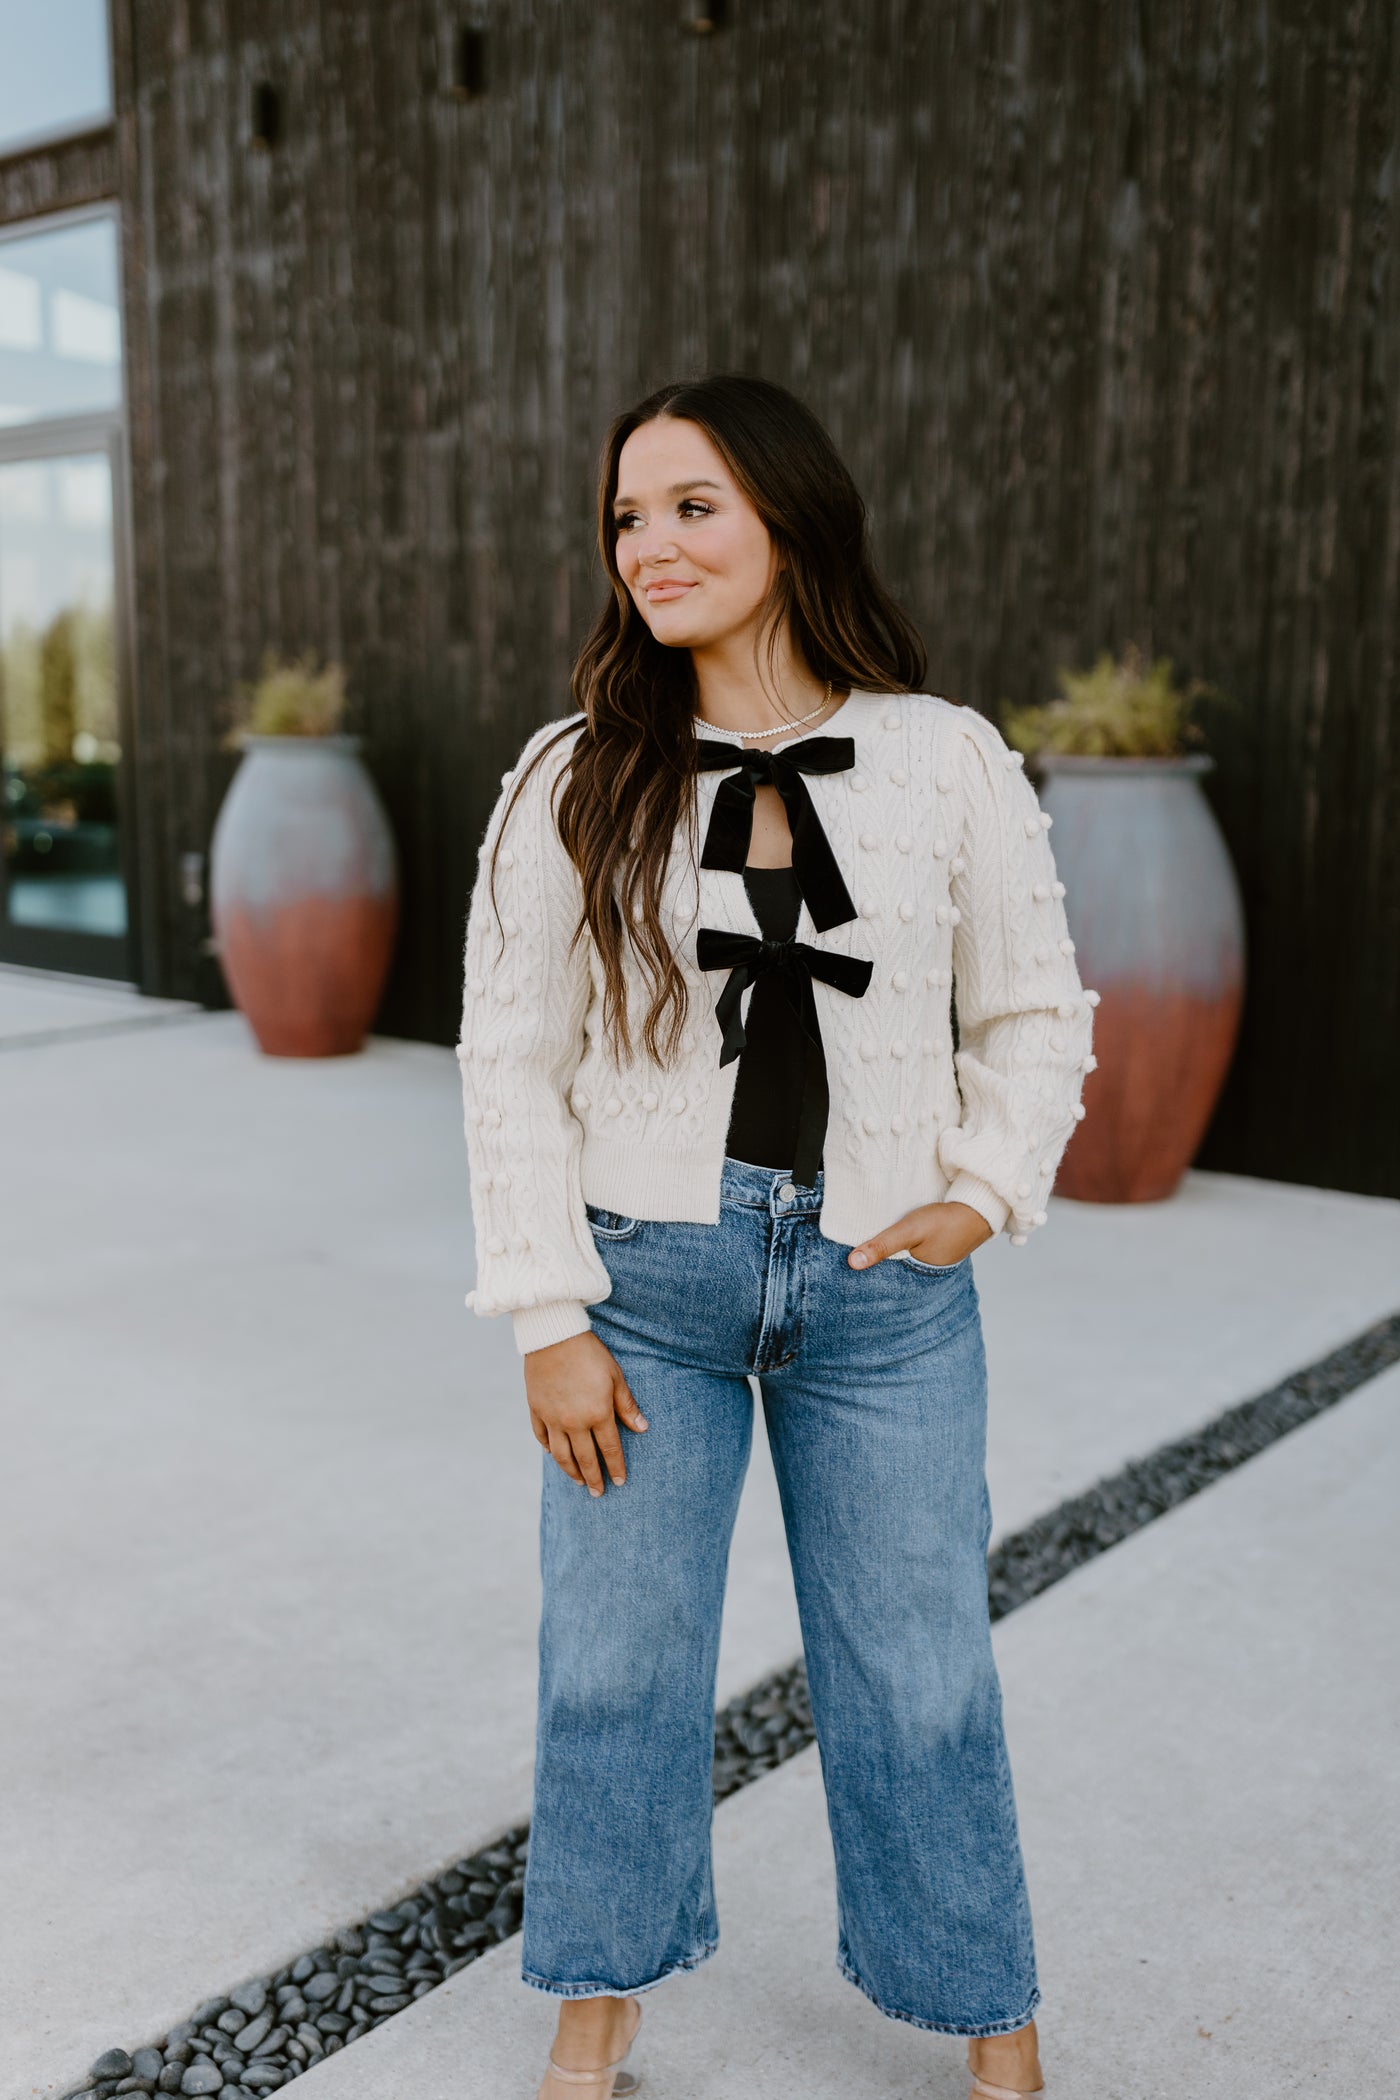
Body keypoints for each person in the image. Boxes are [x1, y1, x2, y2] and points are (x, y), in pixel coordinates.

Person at [456, 374, 1094, 2100]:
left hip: (886, 1295)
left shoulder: (942, 754)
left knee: (921, 1673)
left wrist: (988, 1183)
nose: (646, 546)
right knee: (616, 1670)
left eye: (691, 507)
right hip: (642, 1295)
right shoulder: (569, 775)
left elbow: (1036, 1011)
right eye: (625, 517)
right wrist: (545, 1314)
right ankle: (596, 2018)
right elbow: (509, 1058)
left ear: (791, 517)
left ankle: (994, 2034)